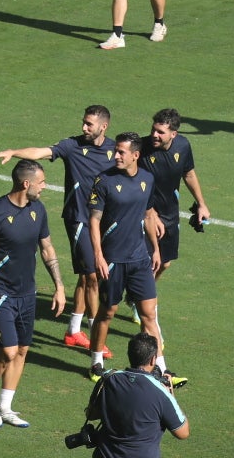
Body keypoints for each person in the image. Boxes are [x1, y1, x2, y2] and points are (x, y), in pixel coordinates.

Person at [0, 104, 116, 351]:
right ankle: (96, 339)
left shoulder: (115, 150)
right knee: (93, 275)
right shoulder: (72, 146)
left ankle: (73, 330)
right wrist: (14, 152)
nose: (83, 127)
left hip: (102, 220)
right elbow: (41, 152)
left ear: (104, 126)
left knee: (86, 274)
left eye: (89, 124)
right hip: (79, 218)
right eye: (83, 122)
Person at [0, 159, 66, 429]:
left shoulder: (38, 210)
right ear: (26, 183)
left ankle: (6, 406)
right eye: (41, 182)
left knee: (22, 350)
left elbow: (46, 249)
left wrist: (60, 286)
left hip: (27, 294)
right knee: (7, 351)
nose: (44, 187)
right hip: (0, 293)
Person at [86, 133, 164, 381]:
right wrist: (98, 255)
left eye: (121, 152)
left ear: (135, 155)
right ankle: (96, 361)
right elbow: (93, 221)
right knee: (108, 311)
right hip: (112, 259)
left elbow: (149, 214)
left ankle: (160, 366)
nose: (115, 156)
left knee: (149, 314)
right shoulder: (104, 181)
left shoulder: (147, 179)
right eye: (115, 151)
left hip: (139, 258)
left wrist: (155, 249)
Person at [82, 333, 190, 456]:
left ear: (129, 355)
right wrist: (171, 394)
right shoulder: (160, 392)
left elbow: (91, 414)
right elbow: (183, 432)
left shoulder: (108, 378)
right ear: (153, 359)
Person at [142, 108, 211, 280]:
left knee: (165, 263)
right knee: (147, 261)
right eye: (153, 130)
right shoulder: (141, 150)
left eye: (160, 132)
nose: (154, 135)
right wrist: (152, 215)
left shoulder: (183, 146)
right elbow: (134, 186)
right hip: (144, 213)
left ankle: (139, 296)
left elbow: (189, 174)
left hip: (169, 213)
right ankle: (142, 298)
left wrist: (201, 204)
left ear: (173, 134)